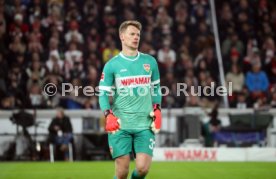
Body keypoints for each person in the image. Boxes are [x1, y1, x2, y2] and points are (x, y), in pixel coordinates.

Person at [99, 20, 162, 179]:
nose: (136, 37)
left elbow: (156, 89)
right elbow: (103, 93)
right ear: (122, 36)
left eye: (138, 35)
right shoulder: (112, 65)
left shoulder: (150, 62)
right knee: (121, 172)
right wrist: (108, 115)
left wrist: (157, 109)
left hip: (144, 124)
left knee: (142, 169)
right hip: (121, 124)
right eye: (132, 34)